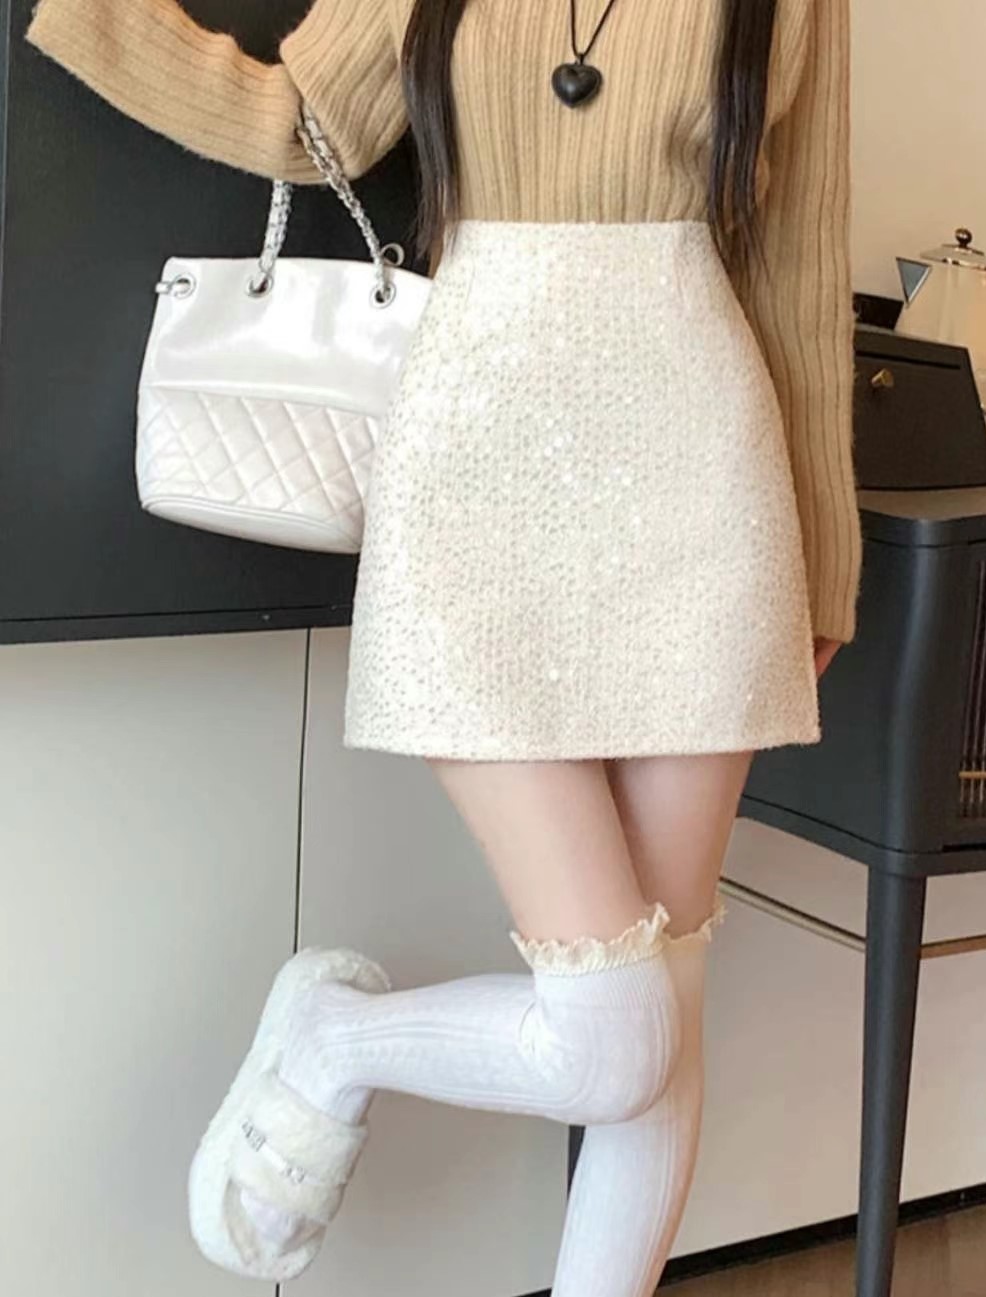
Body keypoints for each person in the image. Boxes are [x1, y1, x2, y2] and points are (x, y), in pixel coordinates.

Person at [24, 0, 863, 1289]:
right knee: (618, 1042)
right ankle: (332, 1036)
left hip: (705, 492)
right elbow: (300, 120)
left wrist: (825, 562)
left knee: (663, 1013)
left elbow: (801, 261)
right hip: (477, 485)